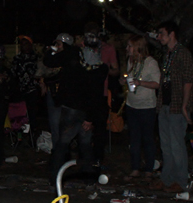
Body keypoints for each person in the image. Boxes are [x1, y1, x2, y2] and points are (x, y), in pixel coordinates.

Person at [43, 33, 99, 186]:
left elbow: (48, 61)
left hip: (73, 107)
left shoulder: (69, 54)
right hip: (85, 106)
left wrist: (52, 49)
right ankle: (89, 179)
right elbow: (94, 89)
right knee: (85, 144)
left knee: (62, 144)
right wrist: (90, 116)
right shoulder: (87, 59)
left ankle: (55, 178)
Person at [153, 21, 193, 192]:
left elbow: (188, 80)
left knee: (177, 145)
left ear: (172, 34)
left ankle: (181, 180)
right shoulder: (167, 55)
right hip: (165, 105)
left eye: (162, 33)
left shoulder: (183, 53)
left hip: (177, 105)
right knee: (166, 145)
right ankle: (167, 179)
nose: (158, 37)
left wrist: (185, 105)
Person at [122, 35, 160, 181]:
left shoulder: (150, 63)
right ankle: (135, 168)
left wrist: (140, 83)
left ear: (138, 47)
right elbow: (130, 79)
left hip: (147, 107)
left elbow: (157, 83)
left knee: (148, 139)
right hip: (132, 105)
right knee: (134, 138)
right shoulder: (131, 61)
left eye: (130, 46)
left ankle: (149, 169)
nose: (127, 49)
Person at [82, 22, 119, 164]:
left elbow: (115, 70)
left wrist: (102, 69)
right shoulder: (81, 48)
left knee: (99, 129)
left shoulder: (108, 49)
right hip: (84, 94)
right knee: (83, 128)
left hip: (101, 93)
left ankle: (97, 159)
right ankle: (84, 159)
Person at [11, 35, 41, 134]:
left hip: (33, 91)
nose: (24, 46)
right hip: (20, 91)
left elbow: (41, 73)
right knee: (19, 115)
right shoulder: (17, 59)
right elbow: (13, 74)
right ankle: (19, 135)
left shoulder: (36, 58)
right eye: (22, 44)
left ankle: (32, 135)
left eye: (26, 44)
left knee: (32, 114)